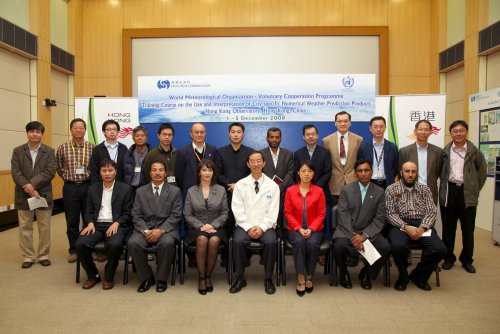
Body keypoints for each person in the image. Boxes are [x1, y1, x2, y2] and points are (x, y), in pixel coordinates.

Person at [386, 162, 447, 291]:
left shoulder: (424, 189)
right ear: (401, 173)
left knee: (440, 249)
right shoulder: (391, 189)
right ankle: (403, 276)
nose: (410, 174)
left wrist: (422, 228)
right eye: (407, 171)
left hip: (421, 224)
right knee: (397, 246)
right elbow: (389, 214)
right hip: (400, 225)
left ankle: (419, 276)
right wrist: (406, 227)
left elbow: (431, 211)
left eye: (413, 171)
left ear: (416, 173)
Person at [75, 159, 133, 290]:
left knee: (115, 244)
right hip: (96, 225)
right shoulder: (93, 189)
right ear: (100, 173)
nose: (107, 173)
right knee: (80, 244)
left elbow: (128, 212)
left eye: (110, 170)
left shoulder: (125, 189)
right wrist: (89, 223)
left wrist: (117, 223)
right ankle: (93, 275)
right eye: (104, 171)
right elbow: (88, 210)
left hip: (116, 225)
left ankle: (109, 276)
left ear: (116, 172)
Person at [333, 159, 390, 290]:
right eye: (360, 171)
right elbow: (343, 214)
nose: (363, 173)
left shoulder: (379, 192)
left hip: (369, 231)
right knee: (338, 246)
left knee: (385, 247)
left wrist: (364, 236)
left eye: (366, 170)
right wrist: (354, 236)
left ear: (371, 172)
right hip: (347, 229)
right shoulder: (346, 190)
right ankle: (344, 275)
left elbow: (380, 218)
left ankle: (366, 274)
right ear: (355, 173)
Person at [440, 120, 487, 273]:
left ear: (466, 132)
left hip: (467, 194)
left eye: (461, 131)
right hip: (449, 192)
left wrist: (473, 189)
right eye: (455, 131)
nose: (458, 134)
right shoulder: (445, 152)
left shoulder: (475, 152)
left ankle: (467, 259)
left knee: (468, 229)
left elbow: (482, 174)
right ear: (451, 133)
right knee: (448, 228)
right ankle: (448, 258)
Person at [230, 151, 280, 294]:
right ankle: (240, 278)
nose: (256, 164)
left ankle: (268, 278)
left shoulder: (273, 185)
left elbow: (273, 211)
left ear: (264, 163)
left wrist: (262, 227)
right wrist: (249, 227)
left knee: (271, 242)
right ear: (248, 164)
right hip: (244, 225)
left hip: (266, 226)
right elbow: (237, 210)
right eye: (252, 161)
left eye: (259, 161)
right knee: (238, 241)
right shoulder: (240, 184)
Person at [128, 161, 182, 293]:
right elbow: (136, 214)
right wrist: (146, 231)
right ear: (149, 173)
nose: (158, 173)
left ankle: (162, 279)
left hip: (166, 229)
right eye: (154, 170)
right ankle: (147, 278)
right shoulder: (140, 191)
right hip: (145, 228)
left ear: (165, 173)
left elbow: (176, 215)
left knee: (167, 243)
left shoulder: (175, 191)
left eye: (161, 170)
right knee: (133, 243)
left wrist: (160, 230)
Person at [11, 121, 57, 268]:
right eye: (32, 131)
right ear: (27, 133)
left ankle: (43, 254)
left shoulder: (49, 151)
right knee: (25, 226)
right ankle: (28, 257)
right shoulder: (18, 151)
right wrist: (29, 187)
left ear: (42, 134)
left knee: (44, 227)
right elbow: (16, 172)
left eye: (38, 132)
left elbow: (50, 172)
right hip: (23, 194)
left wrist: (33, 185)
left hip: (43, 194)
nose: (34, 134)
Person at [183, 159, 228, 295]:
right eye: (204, 170)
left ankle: (208, 276)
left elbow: (225, 212)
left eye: (210, 170)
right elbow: (187, 214)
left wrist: (213, 225)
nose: (207, 173)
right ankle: (202, 277)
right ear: (199, 173)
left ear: (213, 173)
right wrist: (201, 226)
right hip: (196, 228)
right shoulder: (191, 191)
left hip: (216, 226)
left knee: (214, 241)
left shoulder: (220, 190)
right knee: (202, 239)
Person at [284, 160, 326, 296]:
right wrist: (298, 228)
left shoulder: (319, 191)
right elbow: (288, 213)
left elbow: (321, 214)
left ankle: (309, 275)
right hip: (294, 228)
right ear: (298, 173)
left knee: (313, 244)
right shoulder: (290, 191)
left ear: (313, 174)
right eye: (303, 171)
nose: (306, 174)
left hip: (315, 229)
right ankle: (300, 277)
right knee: (299, 242)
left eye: (309, 171)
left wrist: (312, 228)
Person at [56, 118, 94, 263]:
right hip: (70, 187)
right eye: (75, 127)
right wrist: (68, 178)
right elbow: (59, 167)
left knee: (89, 219)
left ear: (85, 130)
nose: (78, 130)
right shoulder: (63, 148)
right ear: (71, 130)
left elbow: (95, 168)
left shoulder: (92, 147)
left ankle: (89, 248)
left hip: (88, 186)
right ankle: (74, 250)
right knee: (71, 221)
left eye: (81, 127)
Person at [215, 122, 254, 265]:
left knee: (244, 225)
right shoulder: (220, 152)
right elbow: (218, 173)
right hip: (226, 193)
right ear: (229, 134)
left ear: (243, 134)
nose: (236, 134)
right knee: (227, 226)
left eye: (239, 132)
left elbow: (253, 173)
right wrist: (230, 185)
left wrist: (239, 185)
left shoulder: (250, 152)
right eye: (233, 132)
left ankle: (245, 257)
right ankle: (226, 257)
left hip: (246, 196)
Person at [322, 111, 363, 206]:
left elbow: (360, 164)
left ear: (350, 123)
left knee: (353, 216)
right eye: (340, 121)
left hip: (353, 184)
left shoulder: (358, 139)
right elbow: (326, 165)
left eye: (346, 121)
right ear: (335, 123)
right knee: (335, 216)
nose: (343, 124)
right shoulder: (326, 140)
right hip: (334, 186)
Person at [398, 119, 444, 204]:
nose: (423, 132)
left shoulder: (438, 152)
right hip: (409, 193)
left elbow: (438, 173)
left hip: (430, 193)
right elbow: (401, 175)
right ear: (415, 131)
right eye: (420, 129)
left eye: (426, 130)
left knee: (429, 217)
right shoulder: (404, 151)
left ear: (430, 132)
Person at [260, 127, 294, 223]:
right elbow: (258, 172)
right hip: (266, 192)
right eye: (271, 137)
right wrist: (270, 188)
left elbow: (290, 172)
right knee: (267, 217)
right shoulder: (260, 154)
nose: (274, 140)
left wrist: (280, 188)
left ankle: (282, 236)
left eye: (277, 137)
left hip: (283, 192)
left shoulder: (288, 154)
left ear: (280, 138)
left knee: (283, 218)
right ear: (267, 139)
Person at [175, 122, 218, 197]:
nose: (199, 135)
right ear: (191, 134)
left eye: (202, 132)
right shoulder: (182, 152)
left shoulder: (213, 150)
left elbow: (216, 172)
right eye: (196, 132)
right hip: (191, 193)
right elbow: (179, 176)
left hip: (210, 192)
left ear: (205, 134)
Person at [293, 124, 332, 207]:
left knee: (321, 218)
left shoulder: (325, 153)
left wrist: (315, 188)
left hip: (321, 191)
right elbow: (296, 173)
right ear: (304, 137)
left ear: (317, 136)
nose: (310, 136)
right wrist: (305, 187)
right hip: (302, 193)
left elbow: (327, 173)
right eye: (307, 134)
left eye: (313, 134)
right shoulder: (298, 154)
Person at [357, 116, 398, 189]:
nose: (378, 129)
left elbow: (395, 168)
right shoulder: (363, 147)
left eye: (381, 127)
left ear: (385, 128)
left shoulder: (392, 147)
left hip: (388, 184)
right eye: (375, 127)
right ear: (370, 129)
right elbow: (359, 167)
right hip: (369, 183)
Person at [89, 119, 133, 184]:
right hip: (102, 185)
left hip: (120, 185)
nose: (112, 132)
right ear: (104, 132)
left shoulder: (123, 148)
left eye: (114, 129)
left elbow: (127, 170)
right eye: (109, 129)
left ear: (118, 132)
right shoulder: (97, 149)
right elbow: (94, 171)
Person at [129, 125, 152, 190]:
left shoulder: (152, 154)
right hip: (131, 190)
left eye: (142, 136)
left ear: (146, 138)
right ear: (133, 138)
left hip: (147, 189)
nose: (140, 138)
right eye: (137, 136)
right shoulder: (127, 154)